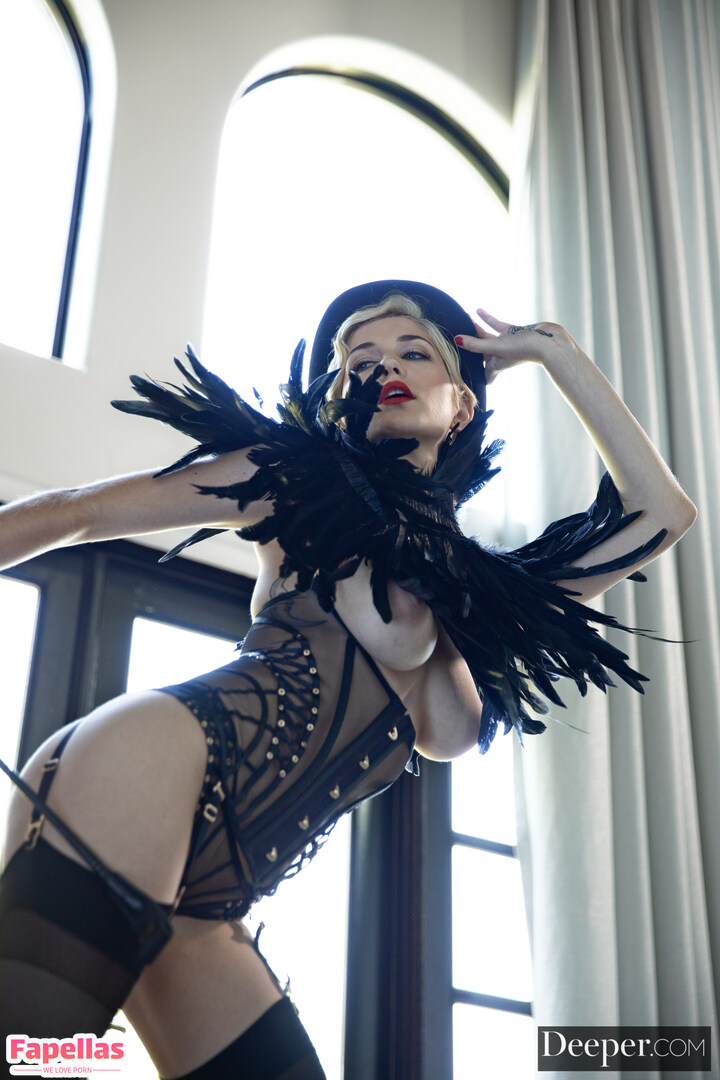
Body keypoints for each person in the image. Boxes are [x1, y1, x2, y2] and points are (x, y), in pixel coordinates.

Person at [0, 280, 696, 1079]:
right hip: (146, 767)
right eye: (358, 360)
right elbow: (77, 511)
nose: (384, 367)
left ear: (462, 407)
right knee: (30, 1054)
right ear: (335, 400)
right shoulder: (291, 482)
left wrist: (553, 352)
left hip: (220, 889)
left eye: (413, 353)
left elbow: (661, 515)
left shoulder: (482, 596)